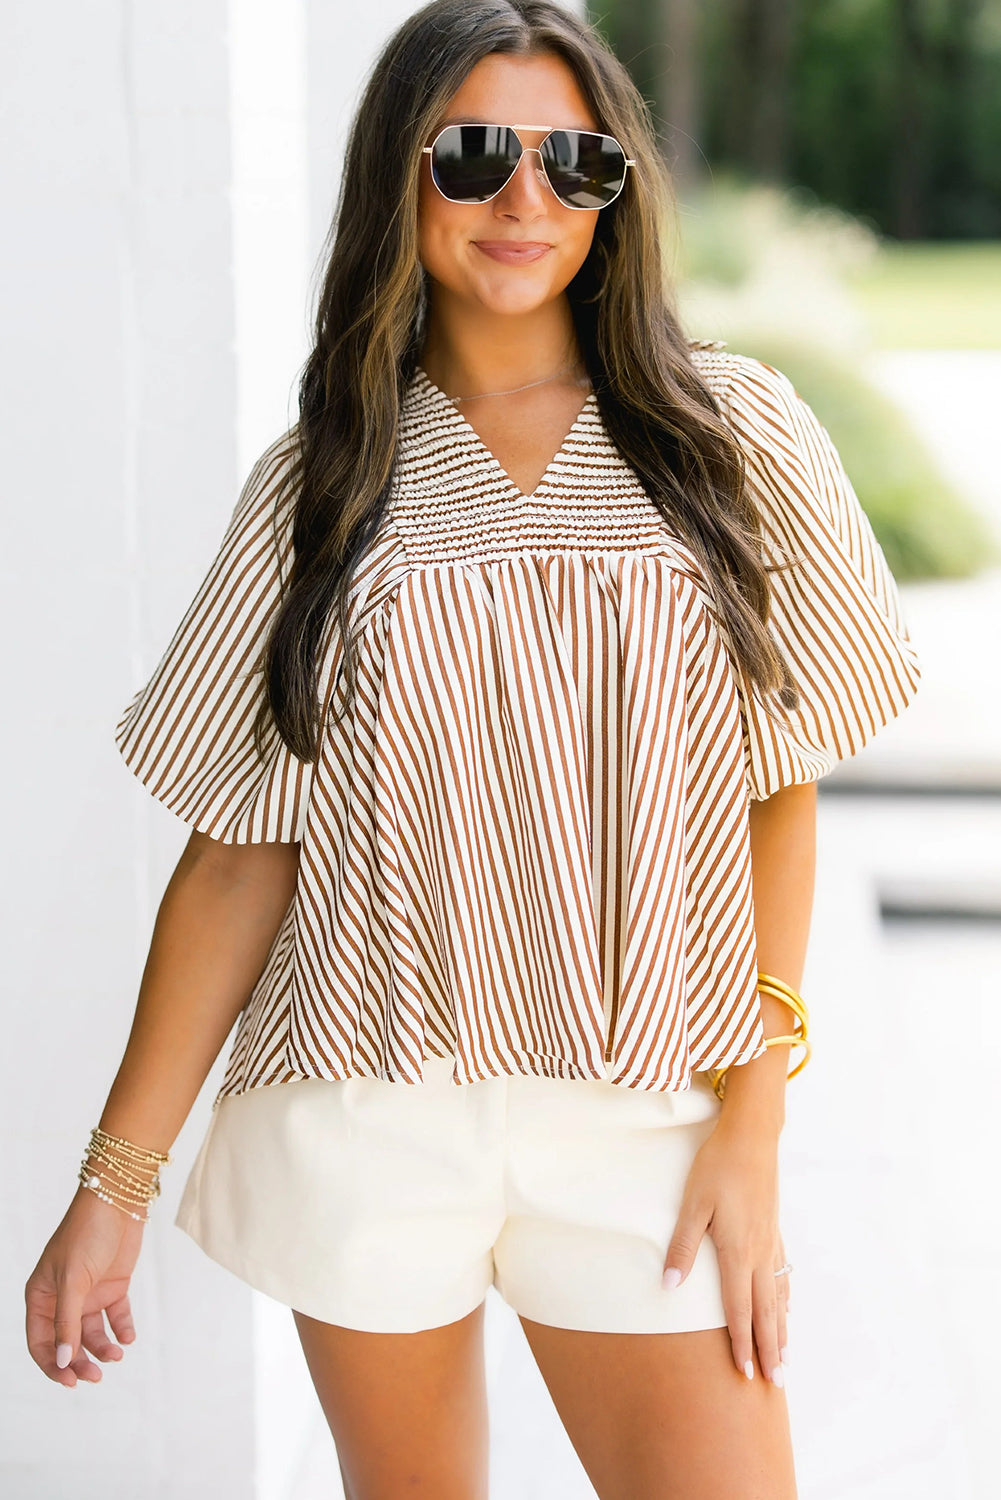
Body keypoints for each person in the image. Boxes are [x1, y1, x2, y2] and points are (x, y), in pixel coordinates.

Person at [25, 2, 922, 1495]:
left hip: (651, 1107)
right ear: (400, 176)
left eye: (574, 161)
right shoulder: (326, 479)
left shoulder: (730, 437)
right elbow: (242, 854)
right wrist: (110, 1186)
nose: (527, 198)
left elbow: (780, 788)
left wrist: (751, 1132)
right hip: (365, 1102)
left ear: (615, 187)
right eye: (476, 154)